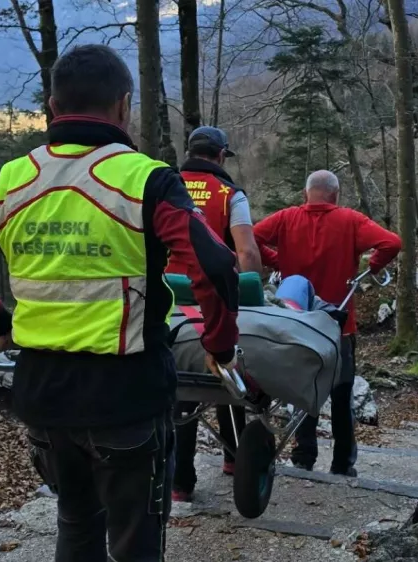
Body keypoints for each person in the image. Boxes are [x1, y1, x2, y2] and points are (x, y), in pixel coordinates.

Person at [0, 45, 239, 562]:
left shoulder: (10, 180)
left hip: (44, 397)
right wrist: (221, 345)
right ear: (124, 107)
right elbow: (213, 265)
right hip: (127, 396)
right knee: (136, 544)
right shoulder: (147, 180)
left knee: (76, 525)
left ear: (53, 108)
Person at [253, 170, 400, 476]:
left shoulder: (286, 218)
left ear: (306, 194)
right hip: (338, 327)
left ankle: (304, 457)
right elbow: (391, 242)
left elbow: (250, 237)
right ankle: (342, 464)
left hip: (296, 326)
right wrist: (371, 267)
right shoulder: (351, 220)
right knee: (341, 395)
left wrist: (276, 260)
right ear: (335, 195)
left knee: (301, 391)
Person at [165, 126, 261, 503]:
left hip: (165, 301)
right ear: (221, 156)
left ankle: (180, 482)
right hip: (208, 299)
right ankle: (234, 459)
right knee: (226, 370)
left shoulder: (163, 185)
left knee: (181, 389)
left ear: (189, 151)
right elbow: (247, 252)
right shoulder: (230, 195)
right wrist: (251, 292)